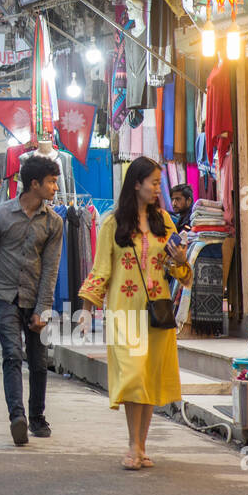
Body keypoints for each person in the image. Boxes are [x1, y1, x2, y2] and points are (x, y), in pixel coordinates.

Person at [78, 156, 191, 470]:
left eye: (159, 183)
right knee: (133, 375)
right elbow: (101, 270)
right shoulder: (113, 224)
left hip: (158, 310)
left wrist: (180, 258)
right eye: (154, 182)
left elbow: (180, 273)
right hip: (124, 312)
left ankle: (141, 445)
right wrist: (86, 310)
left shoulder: (165, 222)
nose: (159, 188)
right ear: (136, 183)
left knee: (149, 377)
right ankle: (133, 444)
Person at [0, 155, 63, 445]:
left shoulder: (54, 223)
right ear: (34, 184)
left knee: (39, 362)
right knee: (11, 355)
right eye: (51, 182)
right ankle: (17, 417)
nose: (55, 187)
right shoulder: (2, 215)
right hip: (4, 296)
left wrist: (43, 310)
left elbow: (51, 268)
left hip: (35, 297)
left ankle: (38, 417)